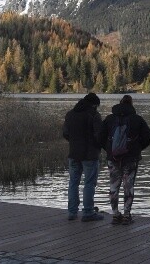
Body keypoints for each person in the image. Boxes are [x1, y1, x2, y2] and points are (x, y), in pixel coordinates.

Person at [100, 95, 150, 225]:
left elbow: (100, 136)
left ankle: (115, 214)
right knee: (128, 186)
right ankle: (127, 215)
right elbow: (148, 137)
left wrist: (109, 150)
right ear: (131, 105)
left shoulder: (109, 119)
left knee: (114, 186)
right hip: (131, 158)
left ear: (119, 103)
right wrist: (137, 148)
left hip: (113, 158)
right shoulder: (137, 119)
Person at [63, 92, 104, 222]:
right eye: (96, 106)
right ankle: (88, 212)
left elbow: (65, 134)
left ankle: (72, 212)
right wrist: (99, 147)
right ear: (94, 105)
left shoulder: (70, 114)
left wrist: (74, 142)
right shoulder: (93, 115)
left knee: (73, 183)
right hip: (90, 155)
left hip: (74, 154)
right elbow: (99, 135)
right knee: (89, 183)